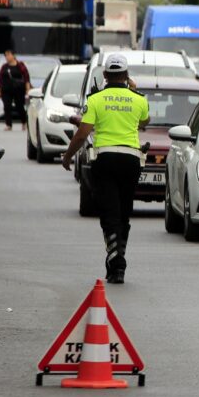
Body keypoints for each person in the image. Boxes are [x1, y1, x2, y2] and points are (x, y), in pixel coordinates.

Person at [61, 54, 149, 284]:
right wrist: (134, 90)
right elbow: (144, 122)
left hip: (105, 159)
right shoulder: (139, 99)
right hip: (131, 160)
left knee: (109, 214)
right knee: (123, 213)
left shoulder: (96, 99)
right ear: (127, 75)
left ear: (105, 75)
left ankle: (116, 263)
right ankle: (118, 261)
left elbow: (82, 133)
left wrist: (68, 156)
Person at [0, 50, 30, 131]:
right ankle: (8, 124)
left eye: (8, 55)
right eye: (6, 55)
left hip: (18, 89)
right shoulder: (4, 67)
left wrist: (27, 89)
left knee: (19, 106)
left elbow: (26, 77)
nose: (7, 57)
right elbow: (0, 79)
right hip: (6, 90)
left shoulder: (20, 65)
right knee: (7, 106)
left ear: (13, 55)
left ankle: (24, 122)